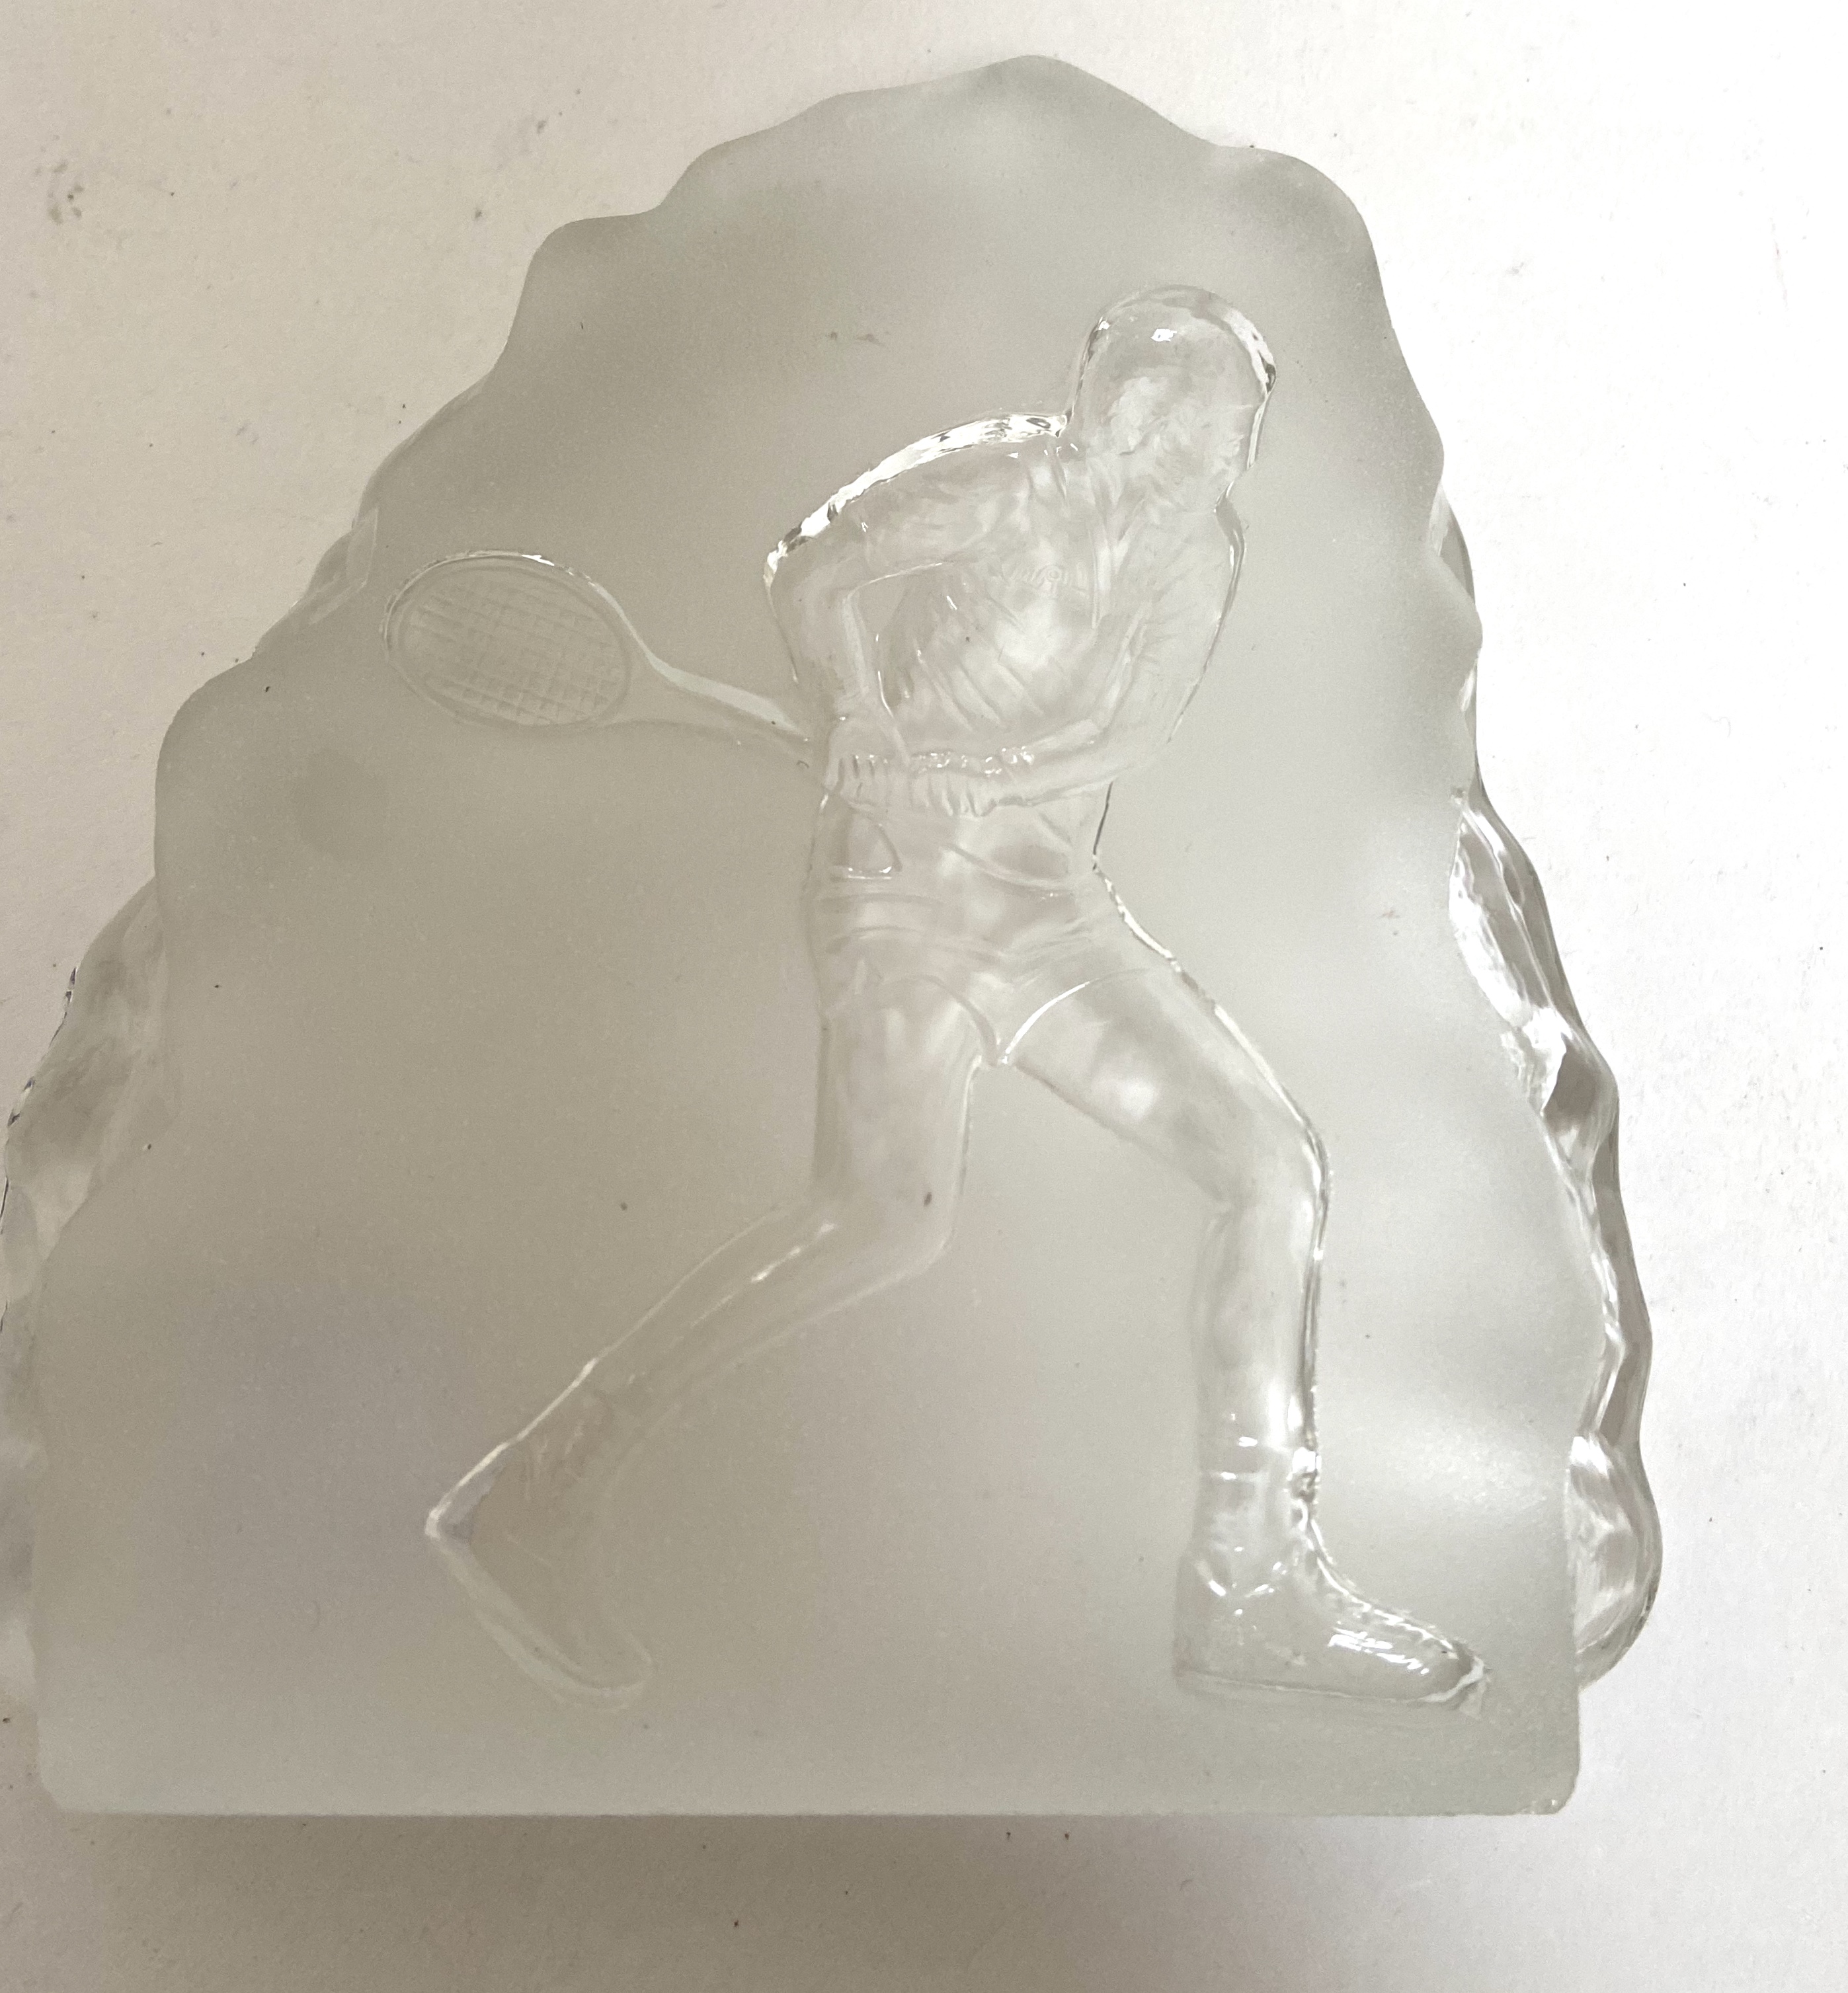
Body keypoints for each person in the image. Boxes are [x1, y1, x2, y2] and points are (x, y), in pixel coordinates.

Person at [429, 286, 1482, 1709]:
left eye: (1236, 432)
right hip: (897, 897)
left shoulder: (1200, 550)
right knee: (882, 1220)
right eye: (1195, 424)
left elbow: (1132, 727)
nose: (1218, 458)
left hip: (1048, 911)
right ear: (1113, 410)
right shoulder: (997, 480)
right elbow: (812, 573)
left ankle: (1252, 1590)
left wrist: (984, 782)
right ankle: (534, 1489)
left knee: (1270, 1167)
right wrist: (864, 719)